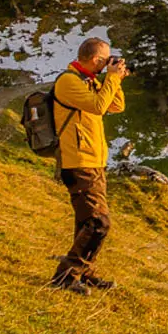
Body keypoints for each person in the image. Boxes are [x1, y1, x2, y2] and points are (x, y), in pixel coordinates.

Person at [49, 36, 127, 294]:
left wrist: (116, 80)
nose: (108, 65)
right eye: (105, 61)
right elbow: (96, 106)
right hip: (78, 161)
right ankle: (65, 276)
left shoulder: (90, 81)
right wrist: (111, 78)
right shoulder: (69, 82)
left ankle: (85, 272)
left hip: (94, 161)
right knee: (99, 222)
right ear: (95, 59)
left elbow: (115, 105)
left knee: (86, 222)